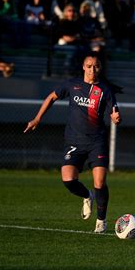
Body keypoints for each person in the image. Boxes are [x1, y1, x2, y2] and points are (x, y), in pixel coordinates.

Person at [24, 52, 122, 233]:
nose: (93, 69)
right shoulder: (72, 85)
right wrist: (37, 119)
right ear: (83, 67)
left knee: (100, 182)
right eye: (90, 66)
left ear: (100, 68)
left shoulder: (105, 90)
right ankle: (87, 195)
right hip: (74, 141)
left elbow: (114, 111)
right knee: (68, 180)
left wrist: (116, 117)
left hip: (96, 141)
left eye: (96, 66)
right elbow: (51, 97)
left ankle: (101, 221)